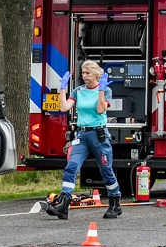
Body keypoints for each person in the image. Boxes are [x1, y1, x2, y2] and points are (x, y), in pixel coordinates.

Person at [46, 60, 123, 220]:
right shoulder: (78, 90)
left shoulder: (106, 90)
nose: (84, 76)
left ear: (96, 74)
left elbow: (101, 109)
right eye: (83, 73)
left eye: (87, 73)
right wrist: (62, 89)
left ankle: (115, 203)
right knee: (71, 166)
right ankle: (63, 204)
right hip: (82, 135)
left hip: (99, 135)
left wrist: (101, 91)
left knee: (106, 170)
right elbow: (64, 107)